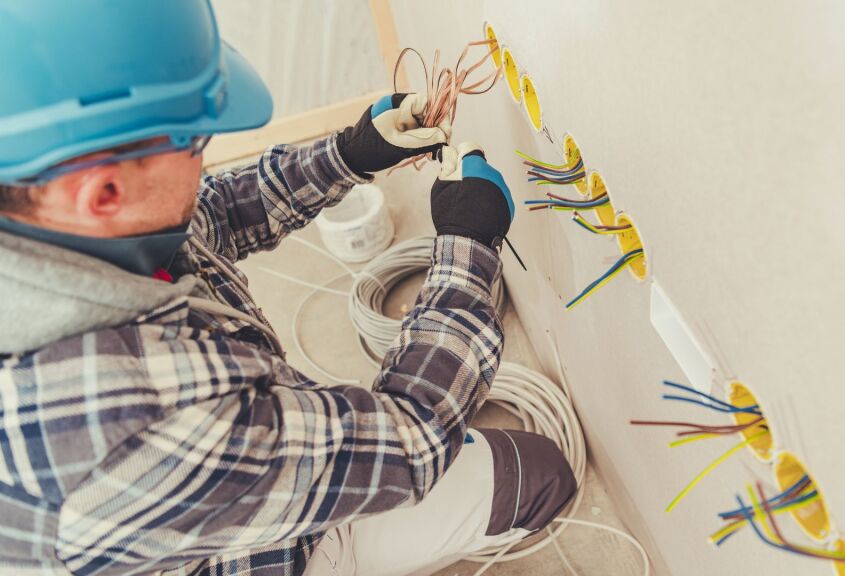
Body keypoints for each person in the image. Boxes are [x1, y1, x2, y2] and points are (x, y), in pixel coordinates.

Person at [0, 1, 576, 575]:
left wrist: (348, 154)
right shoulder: (131, 427)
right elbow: (410, 441)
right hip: (254, 555)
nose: (205, 161)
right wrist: (468, 245)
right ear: (103, 193)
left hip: (218, 495)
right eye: (197, 144)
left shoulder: (48, 225)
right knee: (542, 477)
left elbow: (208, 217)